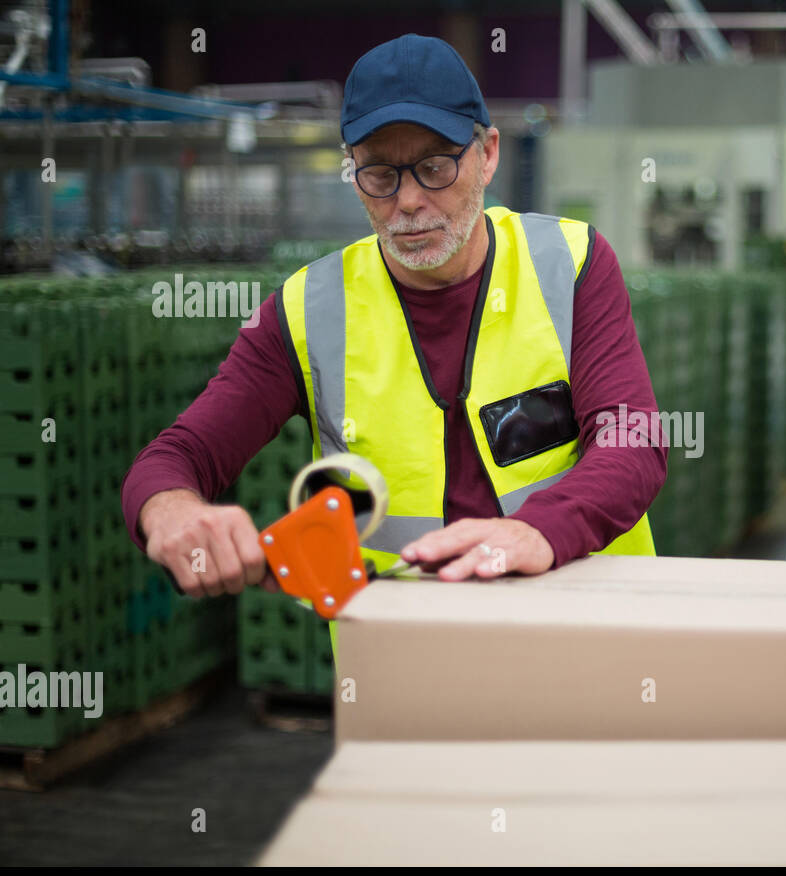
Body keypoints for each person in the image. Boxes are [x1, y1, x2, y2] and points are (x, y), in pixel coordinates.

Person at [122, 34, 664, 606]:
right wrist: (172, 509)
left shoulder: (569, 262)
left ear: (488, 155)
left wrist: (538, 530)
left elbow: (633, 439)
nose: (407, 201)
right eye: (380, 175)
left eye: (434, 166)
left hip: (583, 622)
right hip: (401, 647)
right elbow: (176, 456)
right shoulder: (307, 311)